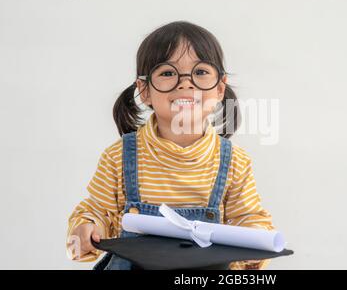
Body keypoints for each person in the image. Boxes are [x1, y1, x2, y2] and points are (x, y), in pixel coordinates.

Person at [66, 21, 275, 270]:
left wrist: (255, 242)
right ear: (144, 90)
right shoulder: (118, 157)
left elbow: (249, 218)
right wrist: (87, 229)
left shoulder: (235, 161)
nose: (185, 83)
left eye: (200, 72)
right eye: (167, 73)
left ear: (219, 88)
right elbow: (98, 212)